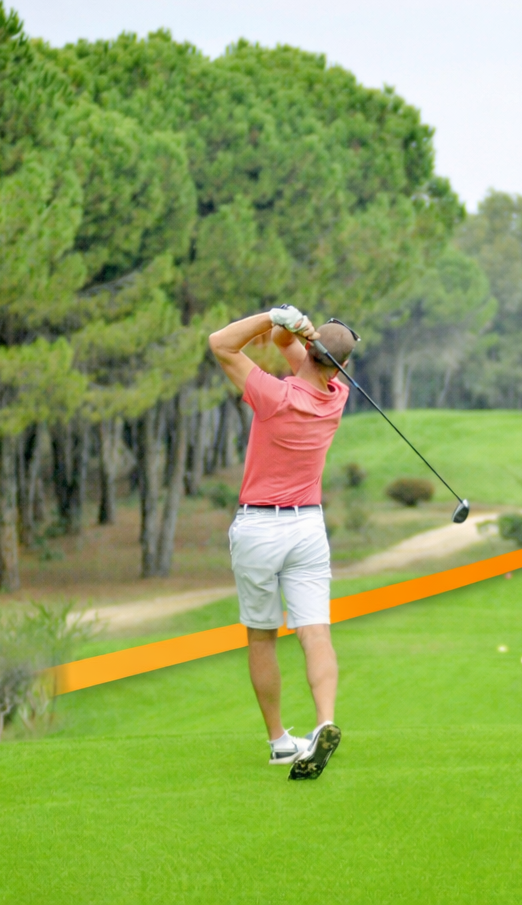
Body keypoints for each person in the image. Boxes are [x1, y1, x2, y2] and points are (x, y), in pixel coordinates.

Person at [208, 305, 357, 780]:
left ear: (310, 350)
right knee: (315, 632)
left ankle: (278, 742)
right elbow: (290, 349)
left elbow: (220, 343)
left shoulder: (273, 395)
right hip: (307, 528)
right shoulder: (337, 397)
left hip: (259, 528)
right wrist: (292, 332)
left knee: (261, 635)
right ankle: (324, 723)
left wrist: (274, 316)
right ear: (341, 367)